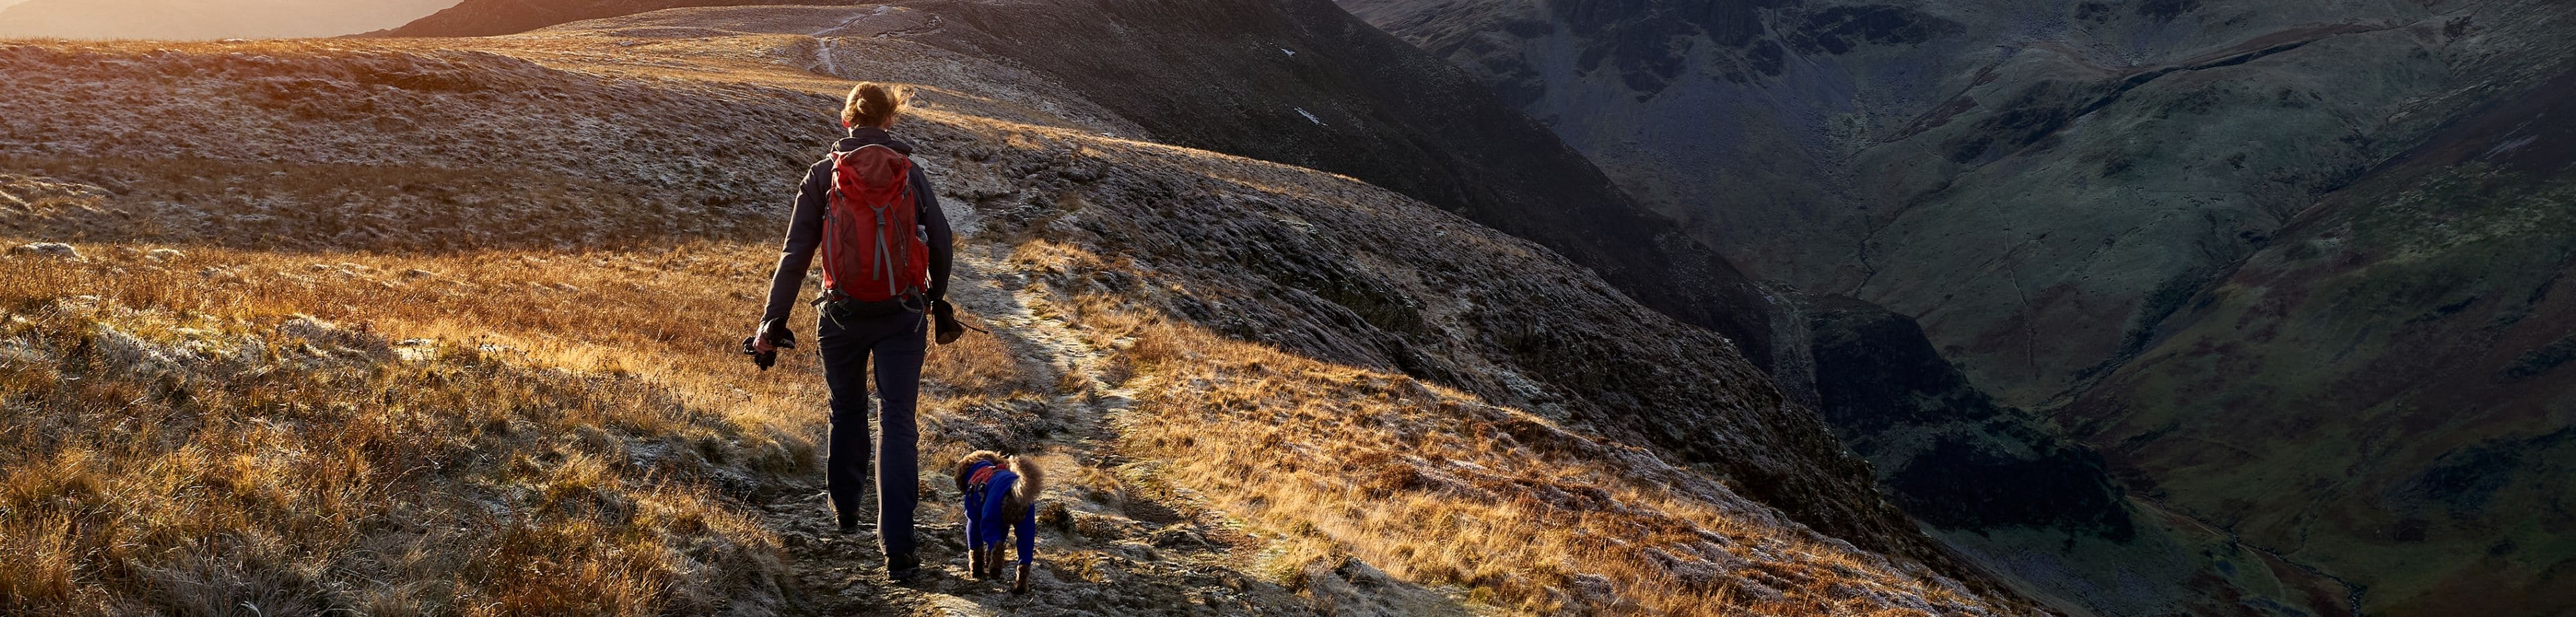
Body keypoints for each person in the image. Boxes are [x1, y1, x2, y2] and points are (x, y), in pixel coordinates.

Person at [748, 82, 965, 581]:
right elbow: (944, 239)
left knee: (846, 407)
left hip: (840, 315)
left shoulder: (824, 175)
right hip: (902, 314)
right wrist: (937, 298)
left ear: (847, 121)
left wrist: (771, 323)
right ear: (890, 121)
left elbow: (794, 253)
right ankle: (900, 549)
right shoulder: (910, 174)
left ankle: (846, 508)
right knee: (897, 420)